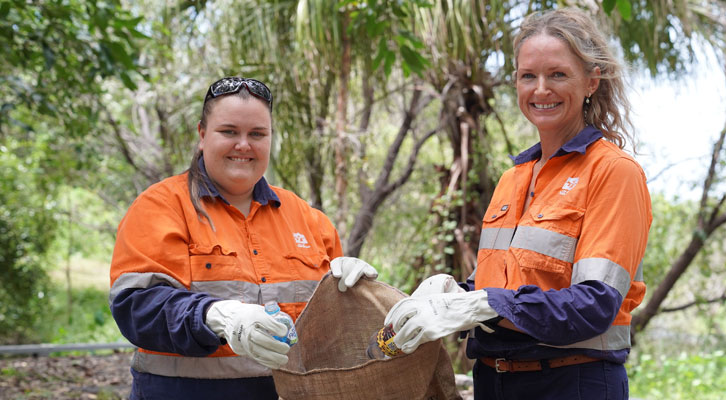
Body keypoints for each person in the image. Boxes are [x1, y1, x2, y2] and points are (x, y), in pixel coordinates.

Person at [385, 8, 651, 400]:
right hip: (494, 381)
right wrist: (454, 293)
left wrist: (484, 303)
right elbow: (506, 286)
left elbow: (595, 305)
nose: (541, 89)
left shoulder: (613, 172)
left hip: (571, 383)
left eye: (558, 74)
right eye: (529, 76)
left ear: (592, 80)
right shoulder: (514, 177)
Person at [109, 76, 378, 400]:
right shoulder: (160, 208)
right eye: (229, 132)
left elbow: (335, 335)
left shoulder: (307, 218)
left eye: (257, 134)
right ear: (202, 135)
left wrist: (356, 297)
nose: (243, 145)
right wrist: (216, 316)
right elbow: (136, 308)